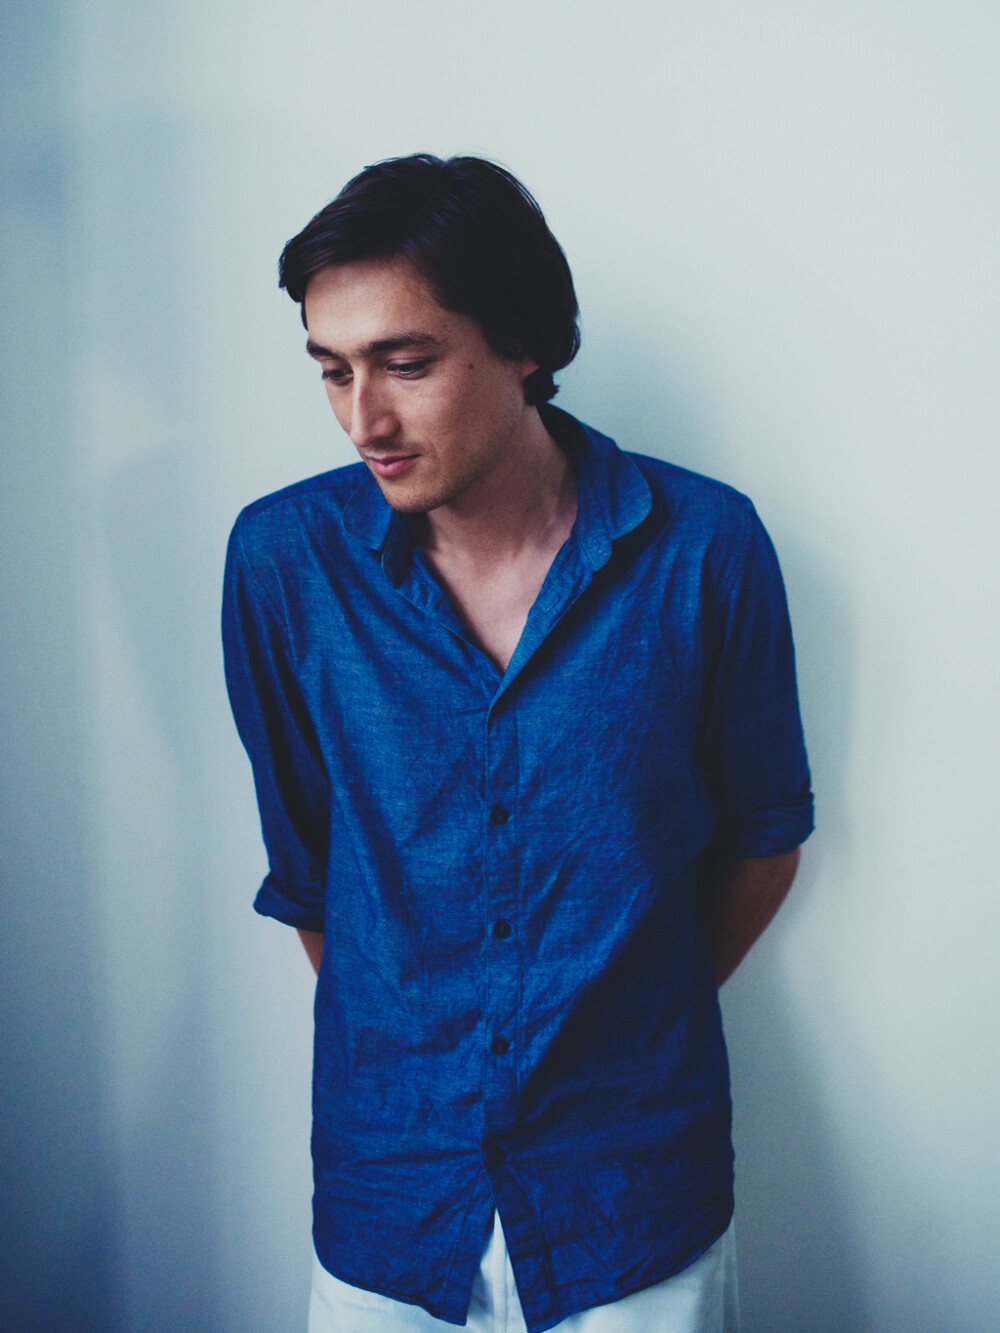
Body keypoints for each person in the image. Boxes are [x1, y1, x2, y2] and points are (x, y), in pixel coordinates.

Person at [222, 153, 813, 1333]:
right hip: (392, 1193)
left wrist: (611, 1024)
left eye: (405, 363)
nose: (363, 419)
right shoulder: (283, 563)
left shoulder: (706, 548)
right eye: (332, 369)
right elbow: (310, 870)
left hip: (634, 1194)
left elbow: (762, 839)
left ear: (526, 344)